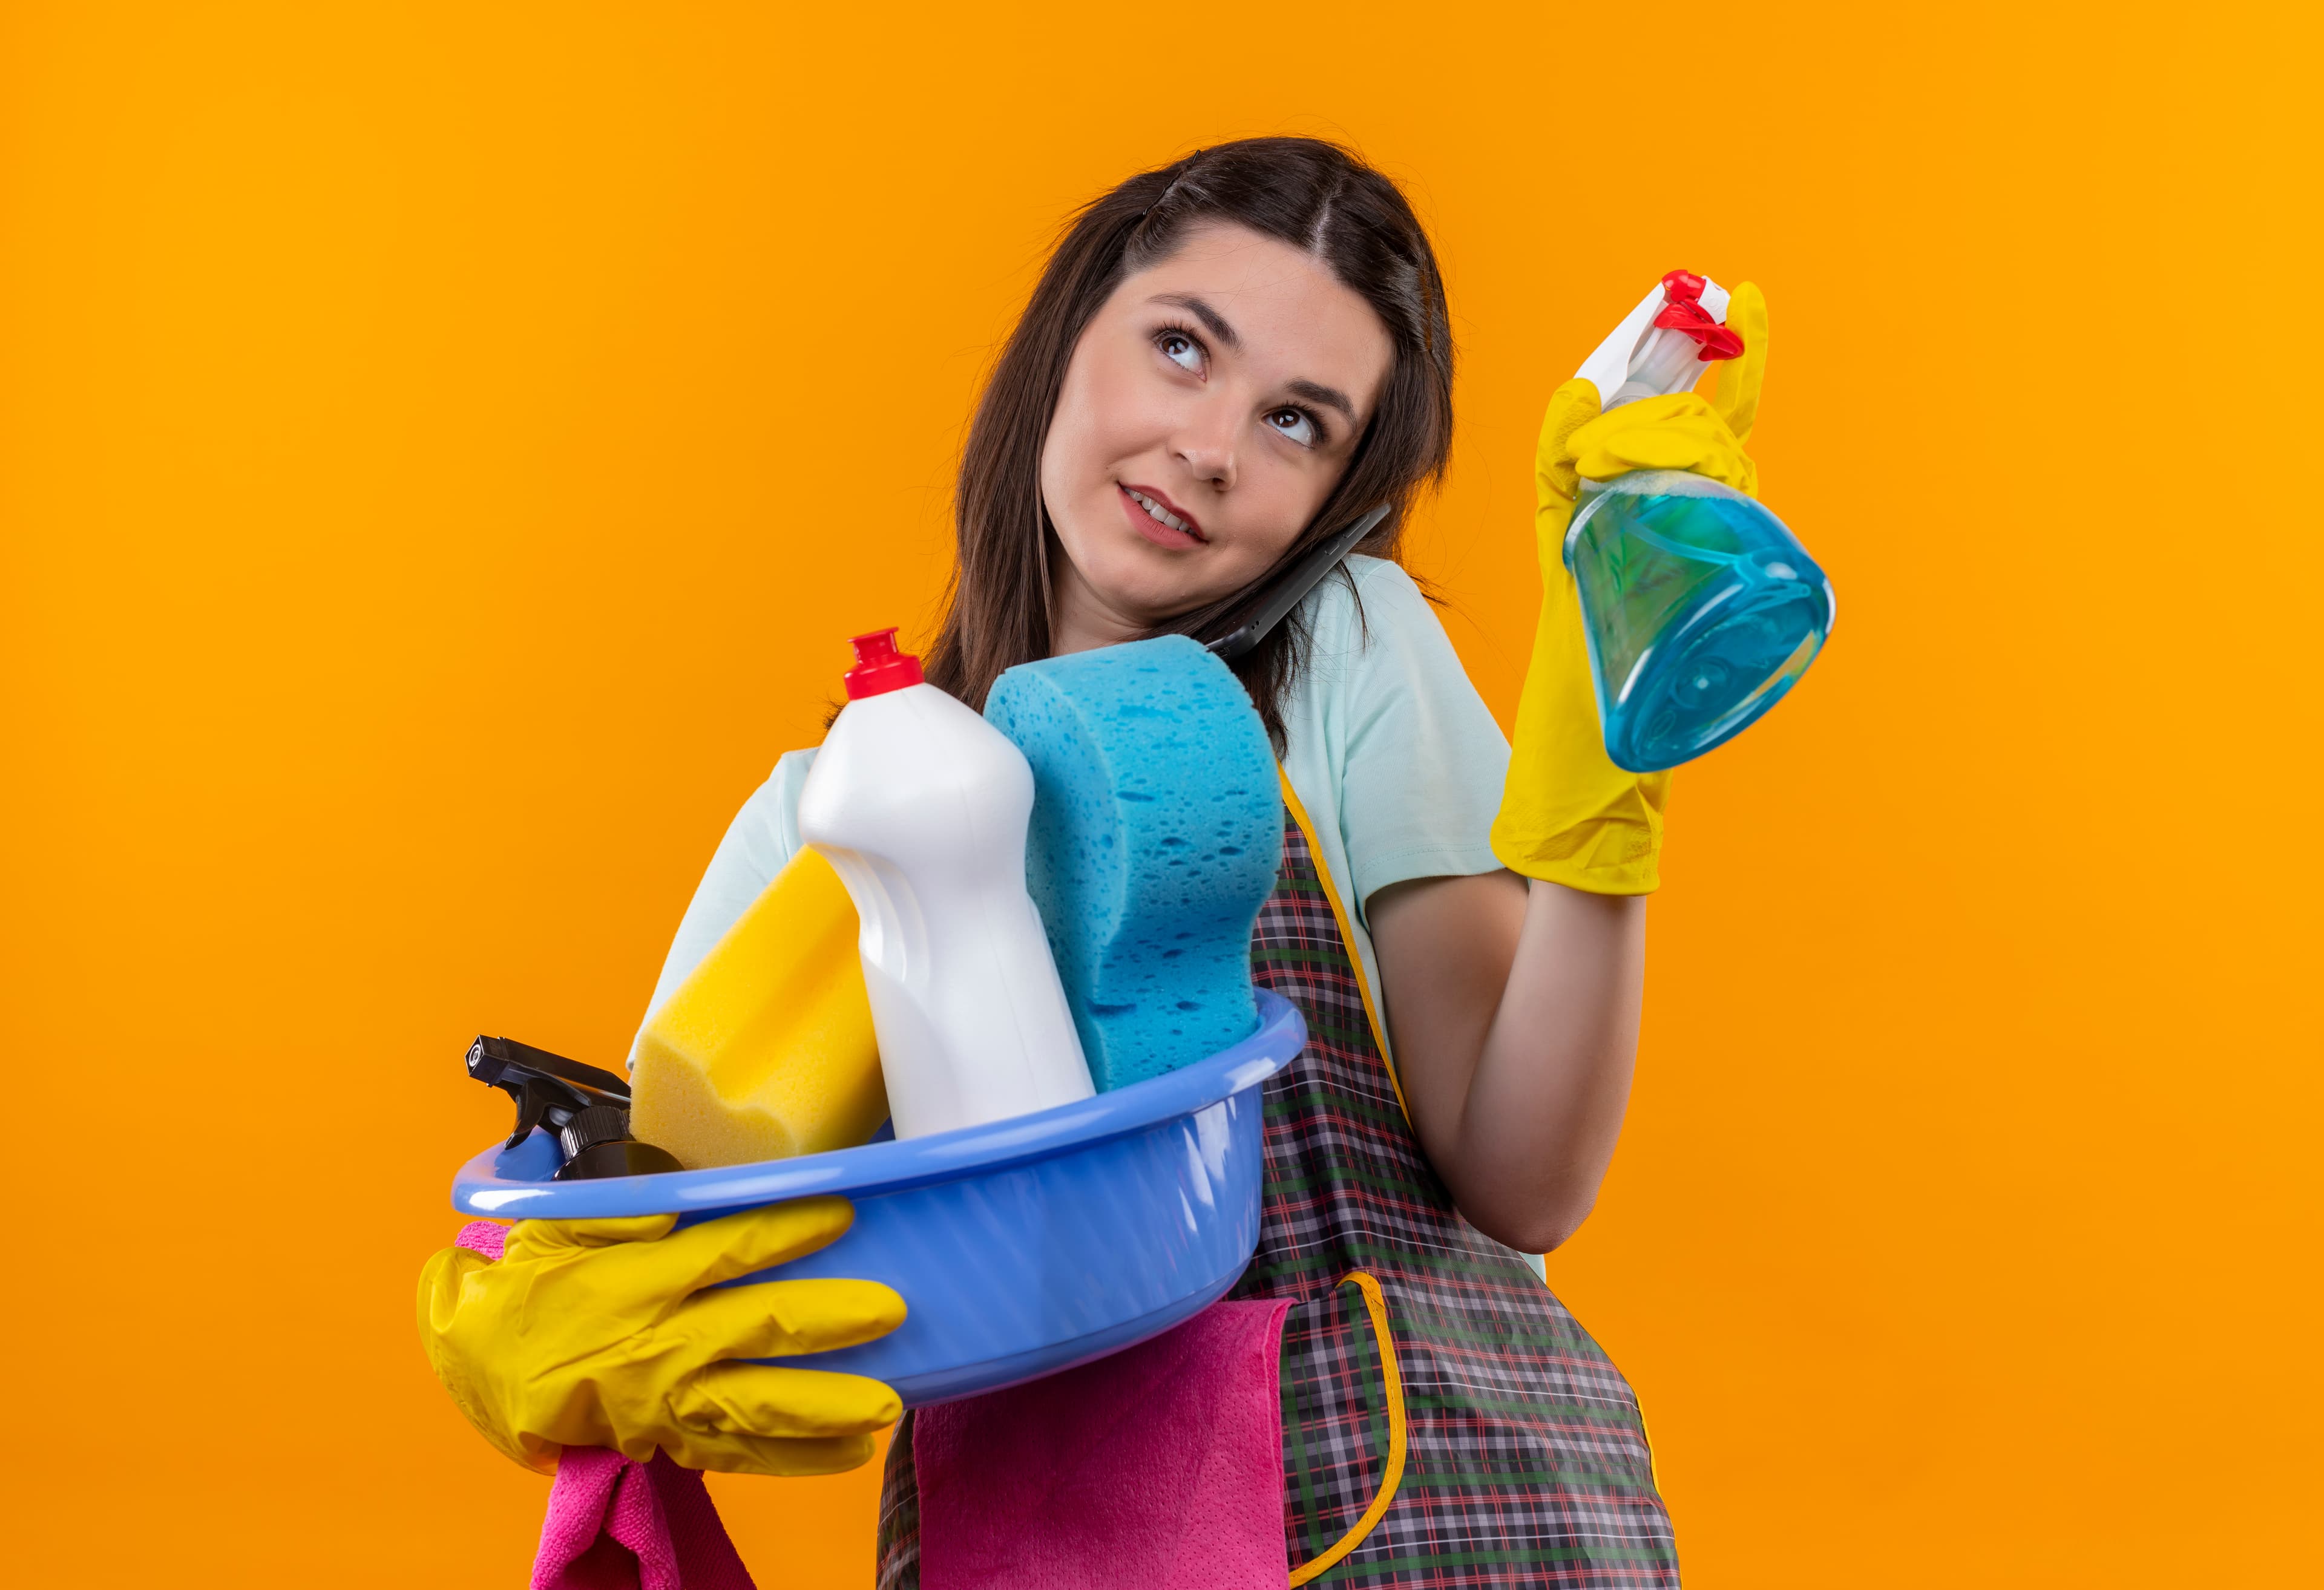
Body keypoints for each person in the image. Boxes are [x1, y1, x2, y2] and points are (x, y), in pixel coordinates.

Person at [421, 135, 1768, 1587]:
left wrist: (1600, 803)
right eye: (1183, 348)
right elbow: (677, 1221)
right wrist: (530, 1313)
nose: (1212, 447)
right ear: (1069, 338)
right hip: (1025, 1546)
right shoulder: (835, 817)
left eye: (1299, 424)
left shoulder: (1343, 656)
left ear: (1338, 500)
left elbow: (1522, 1181)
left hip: (1434, 1516)